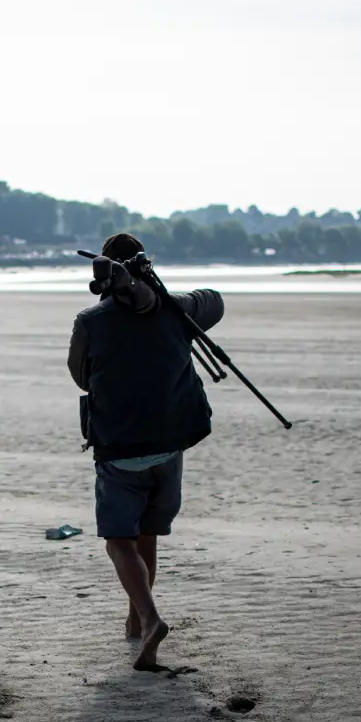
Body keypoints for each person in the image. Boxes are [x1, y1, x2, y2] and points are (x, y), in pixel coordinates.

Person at [67, 232, 224, 671]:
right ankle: (135, 620)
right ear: (145, 266)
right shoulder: (175, 310)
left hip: (119, 450)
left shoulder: (90, 321)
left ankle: (150, 618)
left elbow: (81, 377)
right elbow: (215, 301)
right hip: (170, 446)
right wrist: (160, 294)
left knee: (120, 542)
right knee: (146, 535)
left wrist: (144, 296)